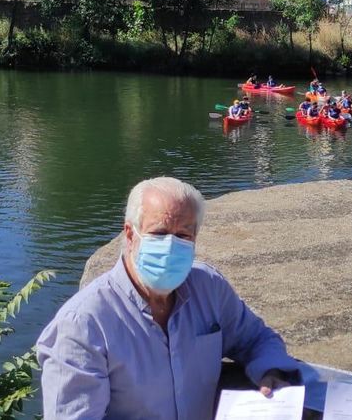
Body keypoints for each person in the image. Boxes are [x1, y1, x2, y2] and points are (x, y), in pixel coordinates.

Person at [37, 177, 300, 419]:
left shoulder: (209, 288)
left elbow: (257, 338)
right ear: (130, 234)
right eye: (159, 233)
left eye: (183, 235)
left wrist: (270, 372)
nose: (170, 246)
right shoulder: (83, 324)